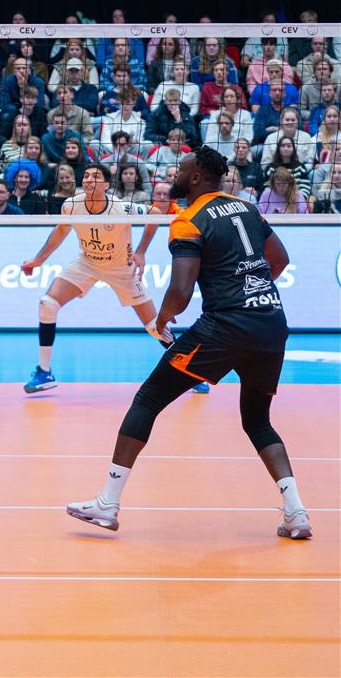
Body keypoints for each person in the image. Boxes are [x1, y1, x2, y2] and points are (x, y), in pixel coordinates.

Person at [67, 148, 311, 540]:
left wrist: (162, 319)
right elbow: (279, 259)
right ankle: (296, 512)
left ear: (196, 176)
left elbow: (180, 292)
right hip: (270, 323)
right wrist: (251, 290)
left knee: (148, 399)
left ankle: (107, 505)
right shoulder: (248, 208)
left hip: (224, 328)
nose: (173, 175)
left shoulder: (187, 221)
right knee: (257, 420)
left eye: (179, 170)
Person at [18, 165, 205, 394]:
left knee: (154, 326)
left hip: (121, 269)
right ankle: (44, 372)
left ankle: (191, 373)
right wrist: (38, 260)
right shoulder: (71, 204)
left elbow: (155, 213)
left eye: (96, 176)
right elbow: (61, 231)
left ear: (106, 185)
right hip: (87, 264)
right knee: (47, 304)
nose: (89, 180)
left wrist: (141, 251)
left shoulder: (122, 207)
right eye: (86, 176)